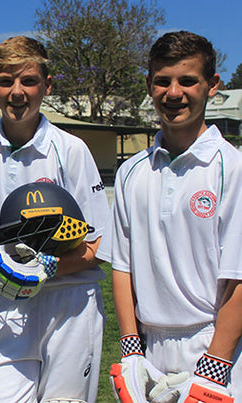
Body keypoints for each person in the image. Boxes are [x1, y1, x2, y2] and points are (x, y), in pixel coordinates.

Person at [0, 36, 109, 402]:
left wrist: (46, 269)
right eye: (6, 81)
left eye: (28, 81)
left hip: (69, 303)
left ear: (47, 86)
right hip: (4, 305)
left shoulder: (70, 149)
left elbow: (98, 245)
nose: (16, 92)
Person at [97, 31, 242, 402]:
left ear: (212, 86)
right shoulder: (131, 172)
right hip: (149, 351)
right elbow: (122, 267)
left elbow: (239, 278)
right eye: (162, 81)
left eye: (187, 81)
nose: (173, 93)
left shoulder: (233, 168)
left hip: (216, 345)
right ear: (149, 85)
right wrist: (130, 348)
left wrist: (215, 365)